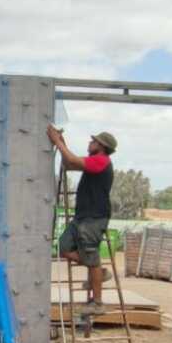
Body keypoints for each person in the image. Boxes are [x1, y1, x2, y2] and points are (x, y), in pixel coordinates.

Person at [46, 125, 118, 309]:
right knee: (63, 247)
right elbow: (69, 164)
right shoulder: (94, 160)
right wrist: (62, 143)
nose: (90, 142)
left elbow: (71, 160)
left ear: (101, 146)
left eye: (93, 141)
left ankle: (98, 302)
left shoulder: (101, 160)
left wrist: (56, 141)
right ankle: (98, 272)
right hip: (82, 217)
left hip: (94, 217)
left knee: (91, 256)